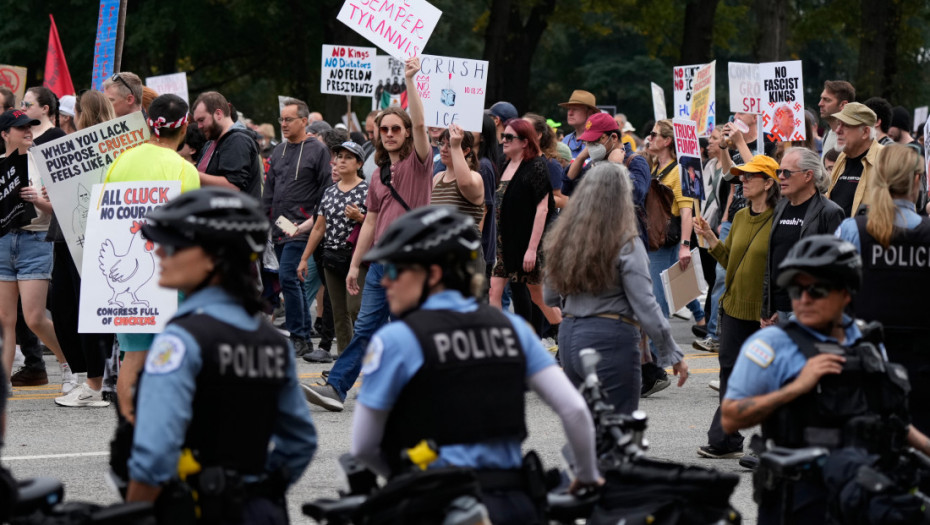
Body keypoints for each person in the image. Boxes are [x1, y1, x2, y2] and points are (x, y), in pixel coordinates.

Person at [349, 206, 601, 524]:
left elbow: (363, 446)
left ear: (435, 275)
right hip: (513, 502)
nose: (386, 281)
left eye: (397, 270)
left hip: (438, 504)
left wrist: (405, 479)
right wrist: (588, 475)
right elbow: (575, 411)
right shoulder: (512, 328)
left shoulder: (397, 339)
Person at [126, 188, 317, 522]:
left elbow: (155, 455)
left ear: (215, 257)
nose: (160, 253)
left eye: (176, 245)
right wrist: (255, 490)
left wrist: (131, 514)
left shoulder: (181, 340)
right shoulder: (273, 341)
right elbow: (300, 441)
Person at [720, 235, 930, 524]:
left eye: (816, 290)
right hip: (799, 500)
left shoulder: (866, 342)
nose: (804, 299)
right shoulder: (771, 344)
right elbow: (730, 418)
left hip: (859, 496)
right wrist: (797, 387)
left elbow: (891, 419)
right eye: (796, 289)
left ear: (845, 293)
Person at [302, 57, 433, 412]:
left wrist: (410, 81)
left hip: (410, 264)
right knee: (366, 331)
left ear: (406, 133)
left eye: (396, 129)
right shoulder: (378, 173)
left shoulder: (420, 163)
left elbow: (420, 123)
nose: (389, 134)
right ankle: (336, 389)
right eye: (384, 130)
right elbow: (371, 222)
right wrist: (355, 265)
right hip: (378, 265)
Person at [544, 164, 689, 414]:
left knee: (586, 424)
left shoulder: (563, 236)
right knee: (618, 427)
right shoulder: (626, 241)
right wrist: (671, 352)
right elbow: (645, 303)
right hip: (611, 336)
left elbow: (550, 295)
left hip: (569, 334)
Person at [103, 94, 201, 421]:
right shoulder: (184, 169)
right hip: (172, 277)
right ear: (184, 127)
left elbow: (107, 215)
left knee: (133, 357)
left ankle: (130, 429)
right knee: (175, 355)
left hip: (132, 287)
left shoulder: (121, 161)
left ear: (149, 122)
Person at [836, 144, 930, 433]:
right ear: (917, 180)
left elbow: (830, 301)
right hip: (923, 369)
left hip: (864, 366)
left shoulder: (852, 230)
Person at [694, 154, 780, 459]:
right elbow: (730, 261)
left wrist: (774, 311)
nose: (741, 182)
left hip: (764, 316)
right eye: (740, 177)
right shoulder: (741, 217)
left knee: (767, 379)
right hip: (732, 310)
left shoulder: (780, 219)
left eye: (749, 177)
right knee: (729, 374)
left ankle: (772, 441)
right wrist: (710, 238)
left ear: (769, 183)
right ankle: (725, 439)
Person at [47, 93, 118, 406]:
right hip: (65, 236)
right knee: (63, 304)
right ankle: (88, 375)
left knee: (88, 312)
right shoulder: (72, 145)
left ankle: (95, 383)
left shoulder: (110, 148)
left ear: (82, 113)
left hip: (92, 239)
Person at [0, 110, 72, 391]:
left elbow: (63, 208)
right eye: (20, 128)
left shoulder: (43, 163)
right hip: (4, 242)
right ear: (5, 134)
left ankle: (69, 366)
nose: (28, 131)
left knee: (34, 317)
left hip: (35, 240)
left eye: (30, 126)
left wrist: (38, 201)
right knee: (5, 319)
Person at [263, 97, 331, 360]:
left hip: (303, 228)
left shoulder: (317, 150)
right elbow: (269, 191)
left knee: (289, 279)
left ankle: (299, 336)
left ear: (304, 121)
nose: (283, 124)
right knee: (293, 282)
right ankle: (302, 337)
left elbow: (326, 190)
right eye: (281, 119)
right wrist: (264, 222)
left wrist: (313, 223)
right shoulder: (278, 151)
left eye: (288, 119)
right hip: (279, 227)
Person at [296, 141, 369, 356]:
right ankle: (346, 361)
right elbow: (319, 228)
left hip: (358, 259)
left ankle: (368, 355)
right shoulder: (329, 191)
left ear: (359, 163)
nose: (341, 160)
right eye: (339, 156)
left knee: (356, 309)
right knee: (339, 313)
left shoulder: (368, 190)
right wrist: (304, 257)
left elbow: (378, 224)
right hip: (331, 258)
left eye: (348, 157)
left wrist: (360, 217)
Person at [487, 119, 562, 327]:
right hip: (504, 243)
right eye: (504, 136)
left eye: (510, 137)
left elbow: (543, 209)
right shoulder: (504, 163)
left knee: (537, 296)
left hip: (525, 243)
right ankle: (501, 342)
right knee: (494, 290)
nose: (504, 141)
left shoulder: (536, 166)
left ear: (525, 142)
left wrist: (531, 249)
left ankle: (564, 332)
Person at [761, 147, 844, 327]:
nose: (780, 177)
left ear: (808, 176)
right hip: (779, 309)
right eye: (779, 171)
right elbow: (771, 260)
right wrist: (768, 309)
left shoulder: (829, 212)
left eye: (787, 172)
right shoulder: (781, 207)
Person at [645, 120, 706, 329]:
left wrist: (685, 246)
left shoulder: (679, 171)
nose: (649, 138)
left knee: (657, 297)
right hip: (656, 235)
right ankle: (701, 317)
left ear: (667, 141)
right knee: (677, 279)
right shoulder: (655, 166)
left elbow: (686, 211)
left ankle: (657, 349)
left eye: (653, 135)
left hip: (663, 239)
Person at [431, 124, 485, 274]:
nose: (443, 149)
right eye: (442, 144)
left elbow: (465, 183)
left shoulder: (475, 177)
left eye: (451, 145)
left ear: (466, 151)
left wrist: (456, 146)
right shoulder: (437, 178)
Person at [192, 91, 263, 197]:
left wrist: (190, 173)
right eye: (197, 122)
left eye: (202, 120)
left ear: (218, 114)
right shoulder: (210, 144)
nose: (199, 126)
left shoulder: (237, 140)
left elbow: (232, 186)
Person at [826, 102, 883, 217]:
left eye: (846, 125)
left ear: (865, 132)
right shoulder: (842, 157)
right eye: (838, 124)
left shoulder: (885, 159)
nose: (838, 130)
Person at [818, 80, 855, 157]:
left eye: (827, 100)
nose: (820, 104)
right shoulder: (826, 136)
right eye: (821, 99)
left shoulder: (853, 139)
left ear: (843, 105)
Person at [558, 90, 598, 159]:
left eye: (575, 109)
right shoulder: (566, 140)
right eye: (569, 109)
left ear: (590, 113)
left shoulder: (599, 141)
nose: (570, 113)